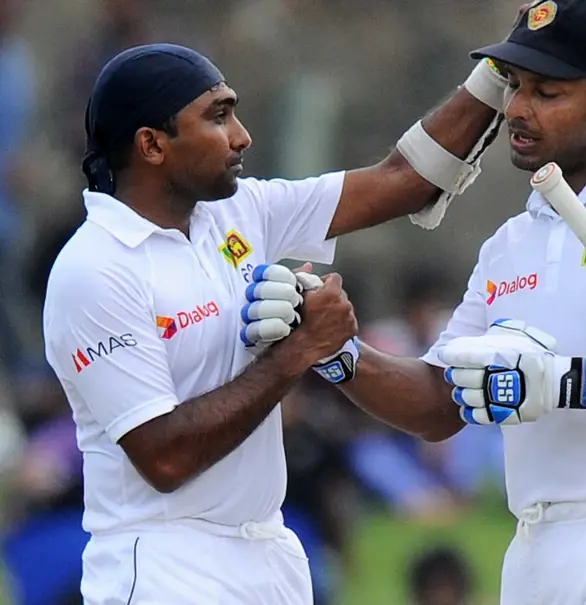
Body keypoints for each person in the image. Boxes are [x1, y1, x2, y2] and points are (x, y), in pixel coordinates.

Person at [248, 1, 586, 603]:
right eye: (516, 87)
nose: (518, 109)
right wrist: (334, 351)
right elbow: (439, 403)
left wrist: (566, 382)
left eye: (548, 92)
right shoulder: (509, 245)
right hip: (535, 545)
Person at [42, 35, 508, 605]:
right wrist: (298, 351)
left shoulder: (236, 211)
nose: (242, 136)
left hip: (267, 551)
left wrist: (502, 69)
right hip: (164, 565)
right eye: (218, 117)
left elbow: (405, 181)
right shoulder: (95, 269)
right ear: (152, 144)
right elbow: (163, 458)